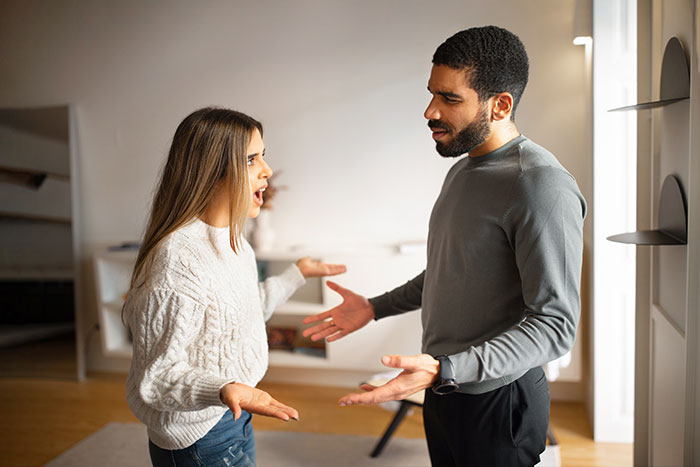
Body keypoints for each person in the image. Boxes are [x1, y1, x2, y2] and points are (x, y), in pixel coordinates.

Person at [303, 26, 586, 466]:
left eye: (450, 99)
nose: (430, 111)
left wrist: (447, 369)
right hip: (442, 383)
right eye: (432, 94)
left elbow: (554, 325)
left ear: (500, 105)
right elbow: (449, 272)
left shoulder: (540, 185)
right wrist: (375, 307)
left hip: (498, 400)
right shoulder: (463, 169)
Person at [123, 107, 345, 466]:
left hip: (233, 411)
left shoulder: (234, 242)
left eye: (264, 156)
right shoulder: (176, 261)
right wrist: (224, 389)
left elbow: (240, 314)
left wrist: (296, 273)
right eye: (251, 159)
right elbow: (158, 376)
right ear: (212, 171)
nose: (267, 171)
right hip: (196, 435)